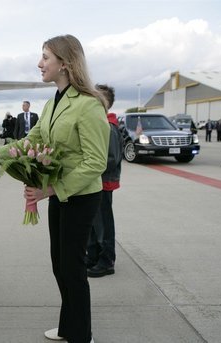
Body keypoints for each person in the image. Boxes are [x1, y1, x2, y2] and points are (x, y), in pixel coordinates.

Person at [0, 34, 109, 343]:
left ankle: (81, 335)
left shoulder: (89, 104)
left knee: (73, 269)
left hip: (80, 196)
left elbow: (96, 162)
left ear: (65, 63)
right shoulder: (53, 103)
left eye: (45, 57)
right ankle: (69, 326)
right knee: (60, 265)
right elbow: (31, 140)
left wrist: (51, 190)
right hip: (59, 194)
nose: (39, 63)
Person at [86, 84, 123, 278]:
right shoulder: (100, 125)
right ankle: (93, 255)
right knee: (93, 223)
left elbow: (111, 158)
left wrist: (89, 164)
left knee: (104, 224)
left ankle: (107, 260)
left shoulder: (109, 128)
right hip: (95, 182)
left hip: (104, 182)